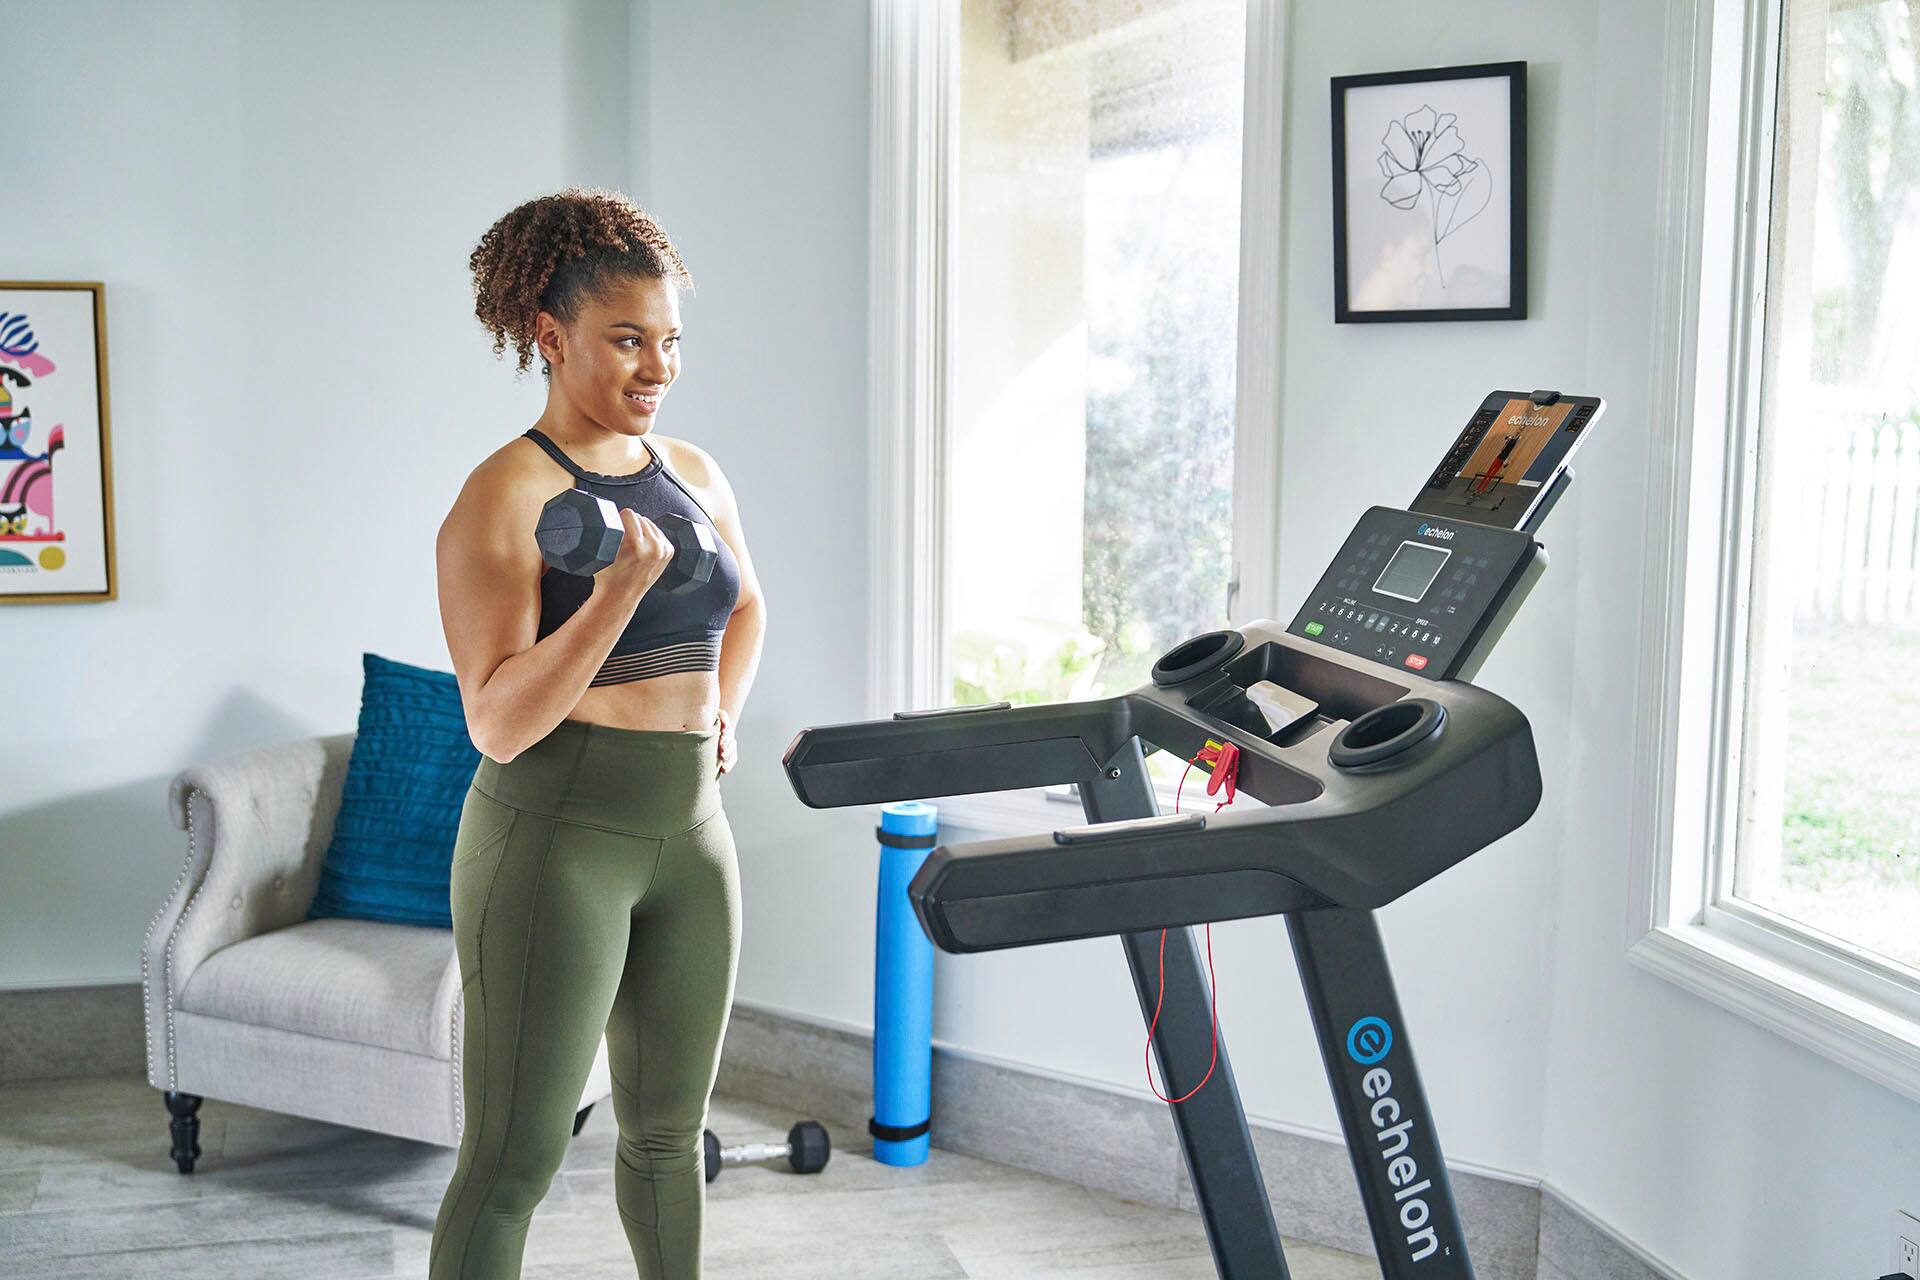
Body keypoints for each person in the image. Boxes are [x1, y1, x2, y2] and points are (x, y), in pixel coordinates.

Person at [429, 187, 766, 1279]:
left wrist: (723, 709)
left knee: (669, 1139)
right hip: (555, 841)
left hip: (691, 836)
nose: (656, 367)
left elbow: (747, 605)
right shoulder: (503, 493)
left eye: (669, 341)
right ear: (550, 335)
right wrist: (617, 593)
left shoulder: (696, 473)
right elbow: (497, 719)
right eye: (627, 340)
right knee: (513, 1159)